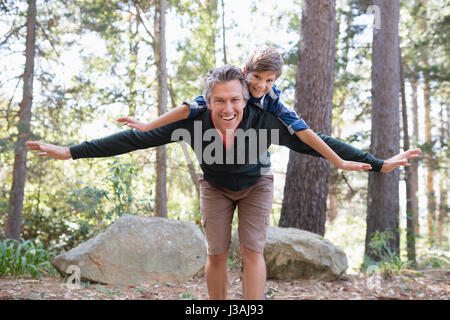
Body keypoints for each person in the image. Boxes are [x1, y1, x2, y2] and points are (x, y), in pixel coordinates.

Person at [26, 65, 420, 300]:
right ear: (207, 101)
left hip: (256, 185)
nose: (228, 108)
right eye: (220, 101)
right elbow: (133, 139)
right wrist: (71, 151)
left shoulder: (266, 121)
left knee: (252, 251)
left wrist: (378, 163)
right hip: (213, 186)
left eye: (235, 100)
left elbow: (321, 144)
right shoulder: (191, 120)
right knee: (216, 254)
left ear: (245, 100)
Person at [116, 46, 421, 173]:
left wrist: (355, 163)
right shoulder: (228, 87)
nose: (261, 85)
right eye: (256, 78)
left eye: (269, 80)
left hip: (253, 157)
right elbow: (188, 107)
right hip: (215, 156)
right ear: (244, 71)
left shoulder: (271, 98)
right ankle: (71, 151)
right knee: (144, 137)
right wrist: (146, 125)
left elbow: (307, 134)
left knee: (308, 138)